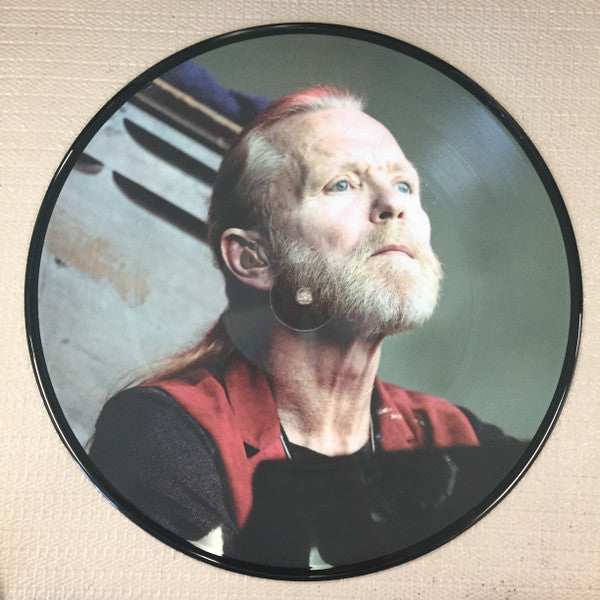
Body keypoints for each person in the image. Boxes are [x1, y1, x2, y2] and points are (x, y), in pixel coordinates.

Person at [90, 86, 514, 569]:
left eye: (404, 185)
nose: (392, 205)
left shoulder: (460, 439)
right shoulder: (160, 435)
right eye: (341, 185)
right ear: (253, 259)